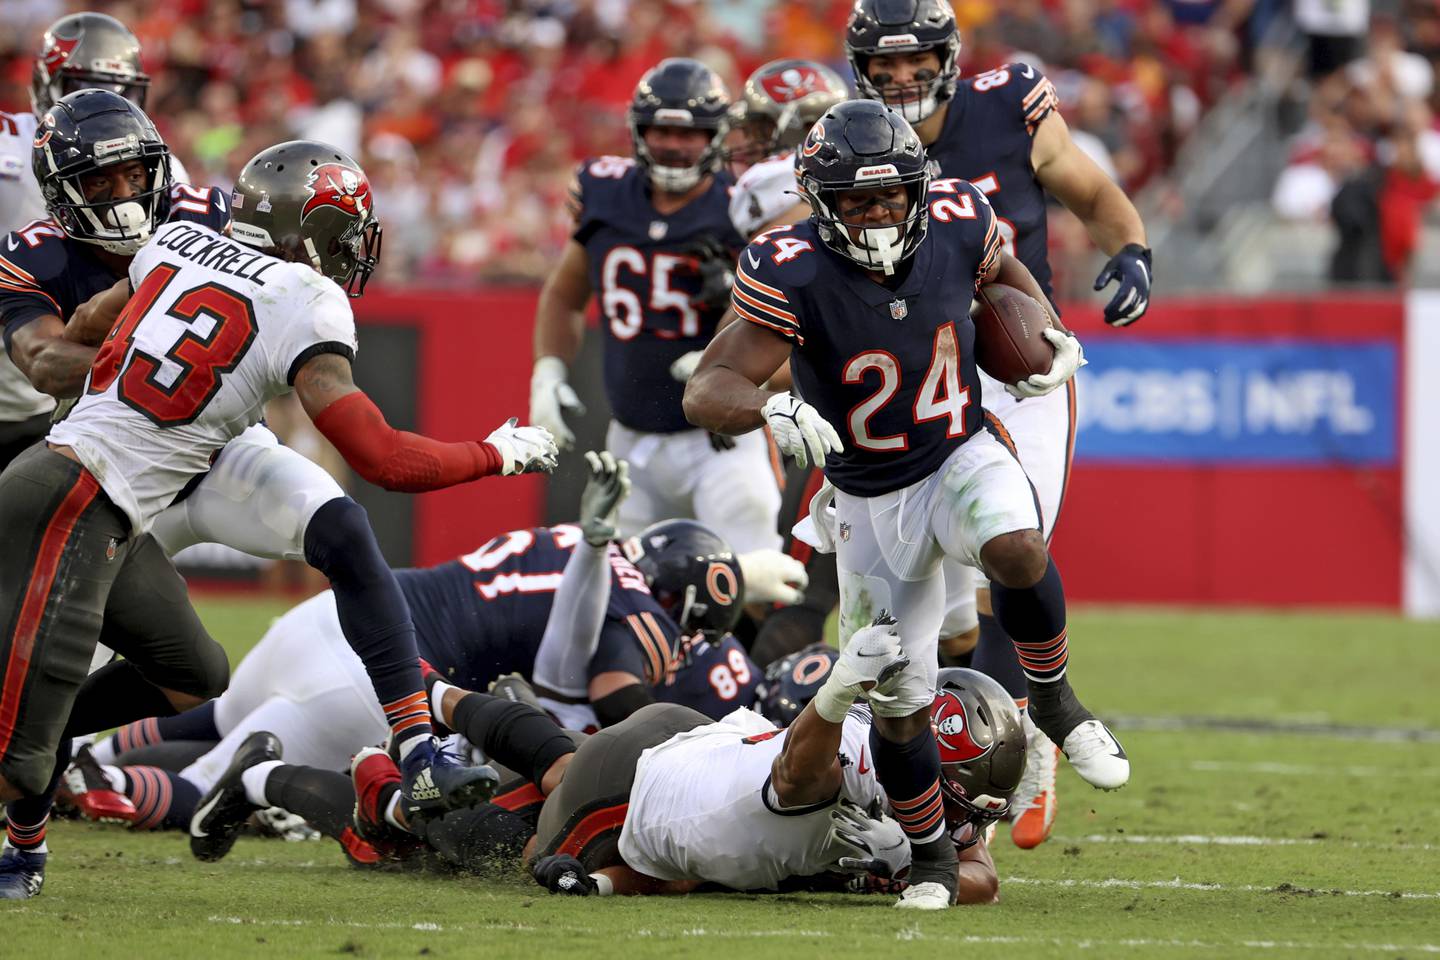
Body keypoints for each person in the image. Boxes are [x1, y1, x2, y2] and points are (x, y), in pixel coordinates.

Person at [0, 122, 555, 898]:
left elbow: (87, 329)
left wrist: (146, 358)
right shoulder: (303, 293)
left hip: (168, 461)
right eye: (348, 233)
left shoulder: (172, 243)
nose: (356, 249)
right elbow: (383, 457)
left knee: (231, 639)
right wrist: (495, 453)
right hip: (91, 483)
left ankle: (418, 743)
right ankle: (21, 844)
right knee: (32, 692)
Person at [682, 99, 1129, 908]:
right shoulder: (792, 264)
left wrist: (1044, 330)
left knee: (1019, 548)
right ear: (823, 203)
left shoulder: (960, 216)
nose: (877, 213)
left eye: (889, 196)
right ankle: (929, 858)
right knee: (898, 699)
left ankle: (1058, 705)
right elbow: (709, 386)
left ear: (919, 189)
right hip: (865, 498)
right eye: (855, 200)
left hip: (958, 451)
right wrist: (769, 409)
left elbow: (1002, 276)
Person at [527, 57, 782, 558]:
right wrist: (547, 372)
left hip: (721, 440)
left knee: (752, 576)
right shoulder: (604, 193)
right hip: (631, 439)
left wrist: (735, 303)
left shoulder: (744, 205)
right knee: (626, 590)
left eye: (690, 134)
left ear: (715, 136)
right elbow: (564, 294)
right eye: (660, 130)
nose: (673, 144)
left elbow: (785, 314)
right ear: (638, 131)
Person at [0, 12, 192, 473]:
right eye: (84, 84)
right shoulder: (7, 157)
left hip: (79, 397)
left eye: (124, 90)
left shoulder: (155, 170)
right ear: (47, 86)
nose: (109, 103)